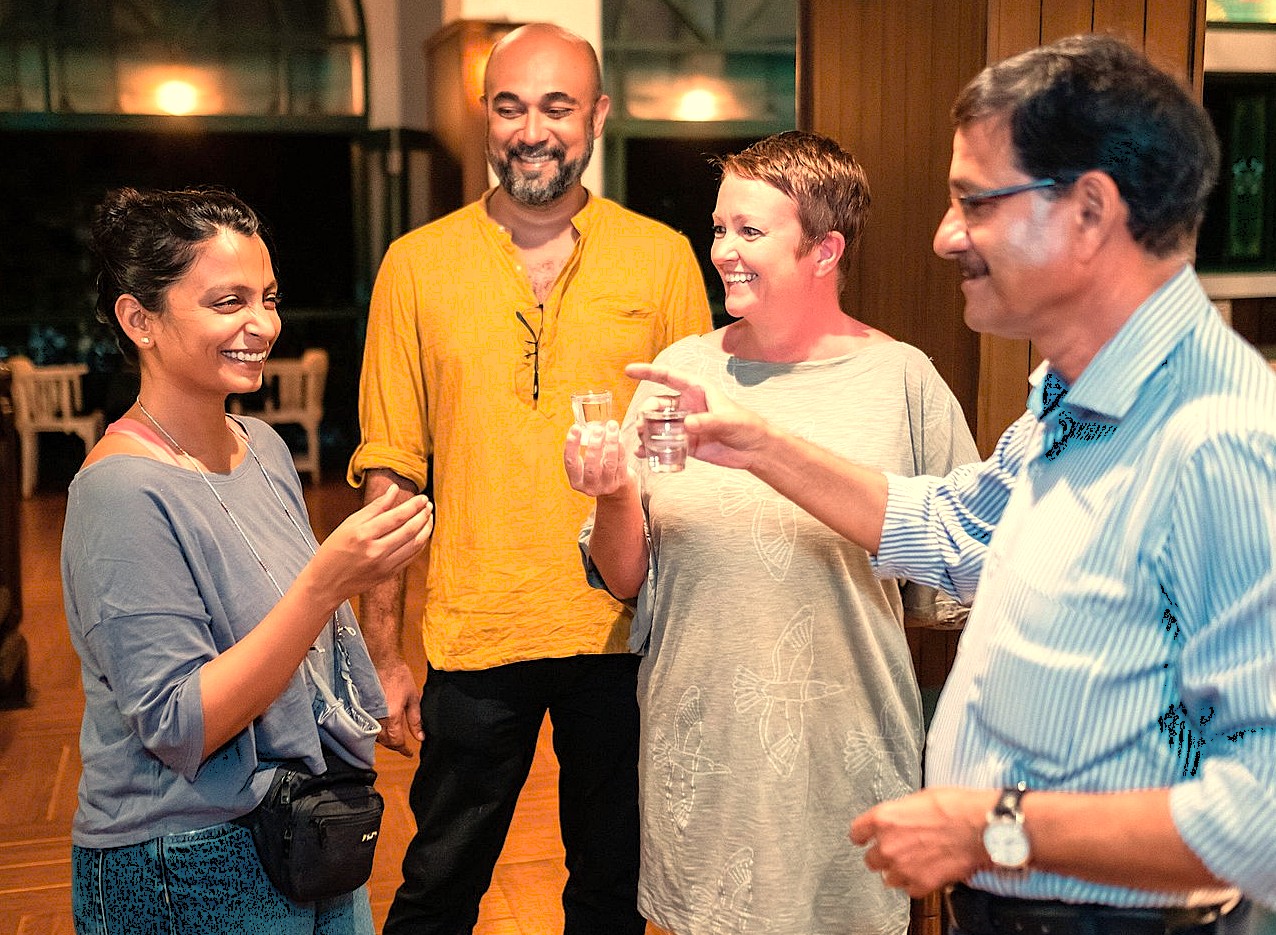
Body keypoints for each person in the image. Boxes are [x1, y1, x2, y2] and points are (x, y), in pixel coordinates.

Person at [627, 34, 1276, 934]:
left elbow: (1265, 814)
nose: (945, 235)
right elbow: (959, 531)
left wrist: (992, 827)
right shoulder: (1066, 401)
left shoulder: (1224, 440)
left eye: (976, 201)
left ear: (1089, 212)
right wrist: (761, 445)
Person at [563, 130, 979, 935]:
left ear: (825, 250)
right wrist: (615, 494)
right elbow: (624, 580)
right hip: (705, 768)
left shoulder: (903, 381)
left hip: (848, 772)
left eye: (750, 231)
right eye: (719, 228)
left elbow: (962, 579)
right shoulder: (679, 374)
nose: (722, 251)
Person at [347, 22, 712, 935]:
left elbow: (687, 468)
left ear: (597, 116)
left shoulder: (662, 258)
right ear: (485, 115)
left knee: (612, 893)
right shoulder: (416, 264)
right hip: (474, 633)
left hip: (626, 638)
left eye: (557, 105)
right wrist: (383, 654)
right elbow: (390, 469)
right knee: (436, 887)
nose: (532, 128)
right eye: (511, 106)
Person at [64, 187, 433, 934]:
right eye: (228, 301)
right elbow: (183, 723)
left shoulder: (262, 447)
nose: (262, 324)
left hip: (305, 823)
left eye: (268, 297)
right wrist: (329, 581)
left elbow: (295, 647)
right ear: (140, 320)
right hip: (183, 855)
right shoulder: (119, 492)